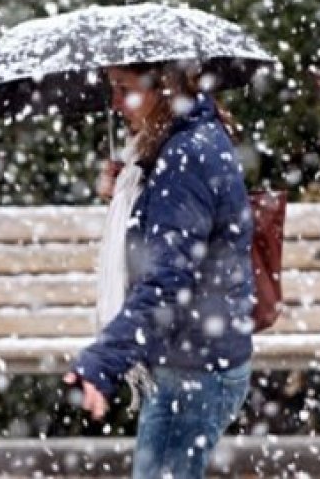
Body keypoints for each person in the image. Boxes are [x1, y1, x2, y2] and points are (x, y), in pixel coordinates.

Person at [64, 62, 254, 478]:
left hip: (192, 366)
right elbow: (170, 247)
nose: (115, 103)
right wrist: (129, 194)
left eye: (124, 88)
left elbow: (167, 280)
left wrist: (103, 360)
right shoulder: (183, 144)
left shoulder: (184, 157)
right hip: (196, 356)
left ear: (163, 89)